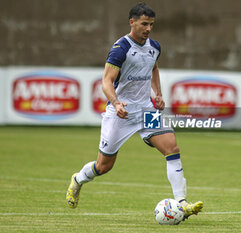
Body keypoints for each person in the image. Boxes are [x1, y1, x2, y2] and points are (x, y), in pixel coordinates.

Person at [66, 3, 203, 220]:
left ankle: (182, 202)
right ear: (132, 22)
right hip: (121, 113)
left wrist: (157, 93)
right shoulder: (121, 49)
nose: (148, 29)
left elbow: (154, 68)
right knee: (103, 166)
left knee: (172, 148)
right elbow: (106, 81)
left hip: (147, 110)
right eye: (144, 24)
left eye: (151, 25)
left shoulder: (154, 47)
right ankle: (79, 179)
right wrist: (116, 102)